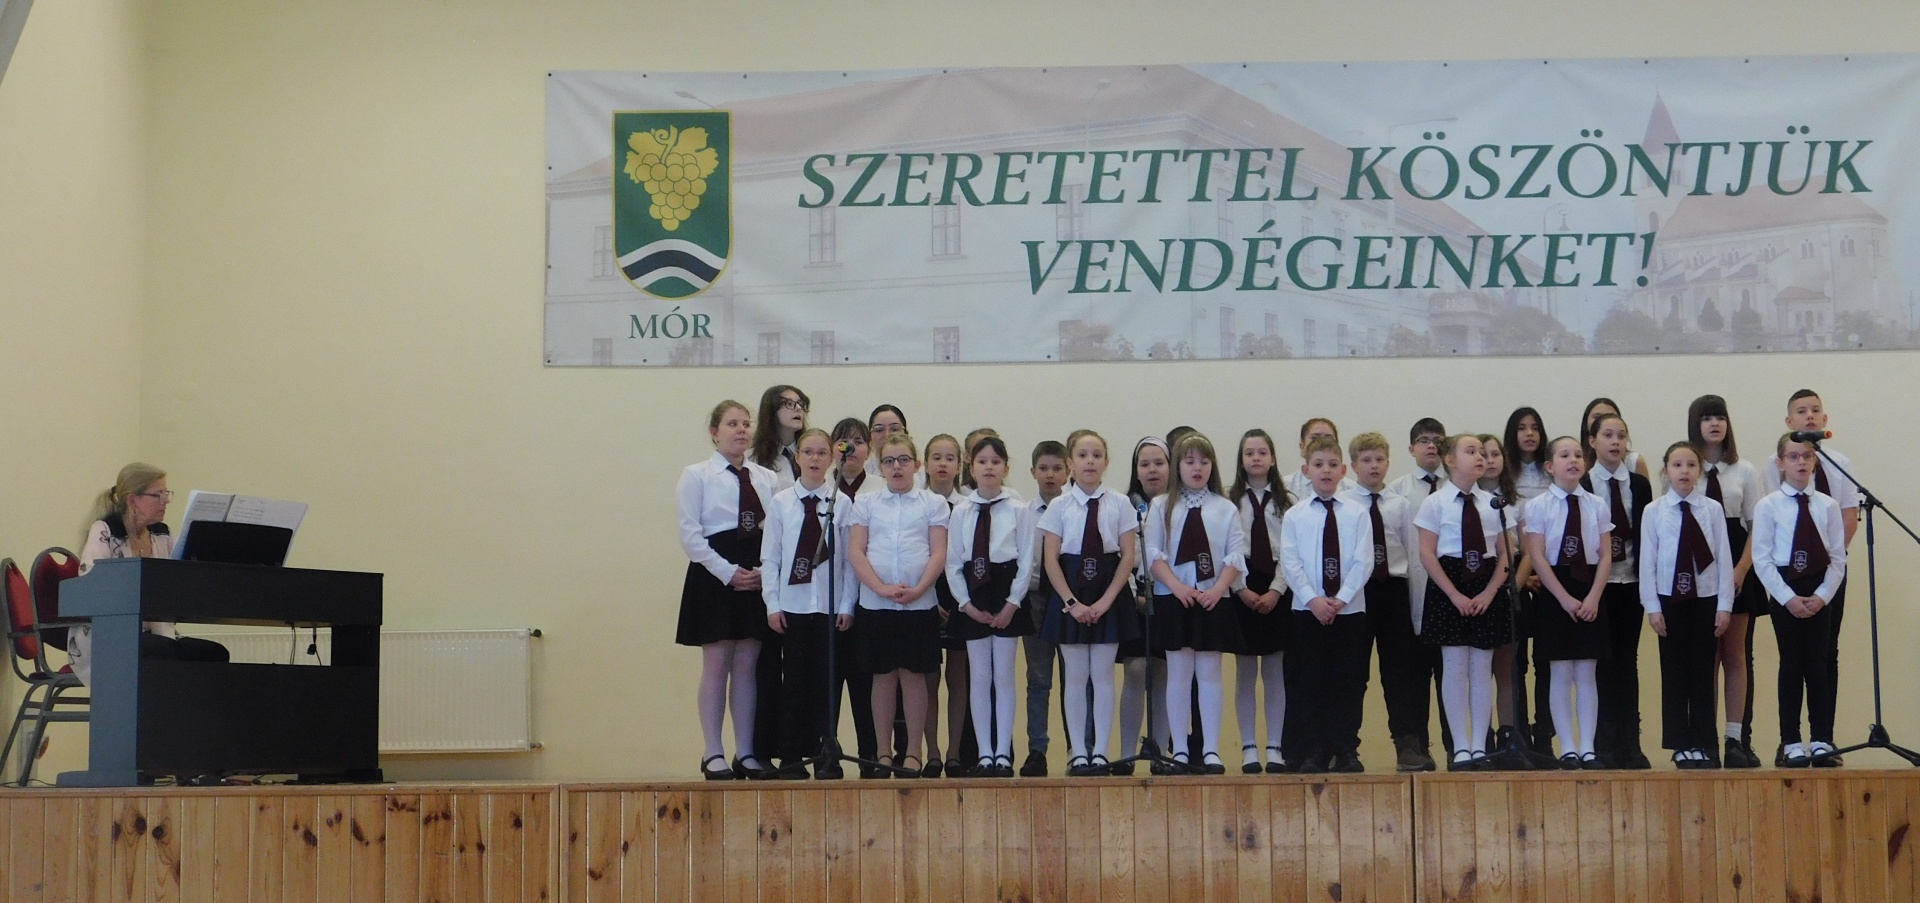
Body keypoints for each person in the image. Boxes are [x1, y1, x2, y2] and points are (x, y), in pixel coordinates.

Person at [675, 401, 777, 780]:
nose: (741, 430)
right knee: (717, 663)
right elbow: (690, 534)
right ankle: (713, 751)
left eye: (746, 424)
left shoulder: (765, 477)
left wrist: (766, 570)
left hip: (756, 570)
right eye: (732, 423)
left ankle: (745, 751)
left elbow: (776, 529)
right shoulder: (696, 475)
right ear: (715, 432)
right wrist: (727, 572)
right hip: (714, 573)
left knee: (748, 665)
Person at [1763, 389, 1860, 766]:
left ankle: (1823, 738)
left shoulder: (1833, 489)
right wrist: (1789, 596)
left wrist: (1822, 590)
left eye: (1806, 456)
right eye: (1793, 456)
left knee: (1821, 661)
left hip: (1823, 581)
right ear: (1781, 462)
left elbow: (1841, 542)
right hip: (1786, 583)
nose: (1801, 461)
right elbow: (1766, 551)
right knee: (1792, 663)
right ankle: (1790, 740)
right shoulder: (1771, 496)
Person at [69, 463, 231, 688]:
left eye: (166, 493)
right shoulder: (106, 530)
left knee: (214, 653)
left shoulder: (161, 534)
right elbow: (90, 582)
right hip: (106, 637)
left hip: (155, 634)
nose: (165, 501)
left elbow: (178, 579)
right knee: (161, 650)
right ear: (132, 500)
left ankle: (192, 711)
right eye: (157, 495)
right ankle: (160, 709)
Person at [1038, 429, 1141, 777]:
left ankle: (1101, 751)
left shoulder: (1120, 503)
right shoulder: (1059, 505)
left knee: (1103, 675)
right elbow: (1051, 559)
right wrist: (1072, 603)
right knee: (1076, 676)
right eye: (1082, 455)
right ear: (1070, 462)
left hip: (1109, 590)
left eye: (1097, 455)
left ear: (1106, 462)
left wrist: (1108, 601)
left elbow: (1128, 556)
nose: (1090, 461)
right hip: (1071, 591)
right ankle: (1079, 752)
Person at [848, 432, 950, 778]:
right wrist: (880, 587)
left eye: (903, 460)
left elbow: (938, 551)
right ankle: (883, 752)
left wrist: (920, 588)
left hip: (919, 604)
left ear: (916, 464)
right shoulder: (866, 503)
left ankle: (913, 753)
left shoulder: (932, 504)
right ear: (880, 466)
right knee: (883, 677)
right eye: (889, 461)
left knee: (913, 676)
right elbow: (856, 551)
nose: (896, 467)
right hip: (876, 603)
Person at [1144, 432, 1245, 774]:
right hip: (1175, 598)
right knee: (1178, 673)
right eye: (1189, 462)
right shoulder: (1161, 506)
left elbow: (1235, 555)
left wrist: (1218, 589)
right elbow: (1153, 554)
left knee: (1210, 673)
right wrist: (1176, 587)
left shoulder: (1225, 508)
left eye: (1204, 461)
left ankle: (1212, 748)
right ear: (1178, 466)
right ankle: (1181, 749)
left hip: (1213, 598)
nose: (1197, 468)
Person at [760, 428, 854, 779]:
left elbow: (849, 562)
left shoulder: (842, 503)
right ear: (797, 458)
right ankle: (790, 757)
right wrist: (772, 603)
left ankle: (825, 755)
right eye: (808, 452)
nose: (815, 459)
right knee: (794, 684)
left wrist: (847, 604)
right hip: (793, 607)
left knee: (826, 685)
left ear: (832, 459)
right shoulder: (782, 503)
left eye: (822, 453)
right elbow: (771, 558)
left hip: (829, 608)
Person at [1415, 435, 1512, 770]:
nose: (1480, 457)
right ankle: (1460, 746)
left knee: (1482, 669)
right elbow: (1427, 553)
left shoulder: (1494, 503)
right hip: (1449, 584)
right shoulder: (1435, 503)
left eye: (1482, 452)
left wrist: (1490, 592)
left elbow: (1506, 553)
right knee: (1455, 668)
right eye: (1471, 451)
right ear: (1450, 460)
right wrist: (1454, 594)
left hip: (1485, 583)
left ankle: (1479, 745)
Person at [1279, 436, 1375, 773]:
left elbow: (1364, 561)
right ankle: (1315, 749)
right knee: (1311, 680)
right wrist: (1314, 599)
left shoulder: (1357, 513)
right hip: (1308, 611)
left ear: (1344, 470)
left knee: (1348, 681)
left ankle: (1345, 748)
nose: (1326, 471)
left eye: (1333, 465)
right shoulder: (1295, 516)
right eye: (1318, 465)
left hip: (1349, 610)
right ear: (1306, 470)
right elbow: (1290, 562)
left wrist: (1341, 598)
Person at [1640, 442, 1735, 769]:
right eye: (1677, 465)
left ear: (1699, 471)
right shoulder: (1654, 511)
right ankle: (1681, 744)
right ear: (1666, 470)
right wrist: (1652, 606)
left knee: (1702, 673)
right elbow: (1648, 562)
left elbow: (1723, 558)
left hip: (1706, 598)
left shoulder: (1712, 509)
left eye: (1691, 465)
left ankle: (1705, 743)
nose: (1684, 471)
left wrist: (1724, 605)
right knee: (1675, 673)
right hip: (1669, 600)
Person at [946, 435, 1034, 778]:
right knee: (980, 677)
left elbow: (1027, 560)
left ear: (1006, 468)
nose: (988, 467)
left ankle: (1003, 753)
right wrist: (965, 604)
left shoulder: (1018, 509)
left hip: (1006, 589)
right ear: (971, 467)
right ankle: (985, 752)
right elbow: (953, 563)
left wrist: (1013, 603)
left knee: (1004, 676)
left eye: (996, 462)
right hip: (974, 592)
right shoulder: (961, 511)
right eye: (982, 461)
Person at [1687, 394, 1767, 768]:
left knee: (1735, 654)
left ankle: (1735, 738)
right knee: (1707, 656)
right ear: (1696, 424)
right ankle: (1705, 739)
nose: (1714, 424)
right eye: (1707, 418)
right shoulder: (1687, 466)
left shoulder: (1745, 470)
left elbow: (1756, 526)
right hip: (1698, 568)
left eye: (1720, 417)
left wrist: (1740, 570)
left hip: (1736, 562)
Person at [1523, 436, 1612, 769]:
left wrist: (1593, 597)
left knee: (1587, 672)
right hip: (1555, 589)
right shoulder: (1538, 506)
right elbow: (1536, 555)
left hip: (1589, 586)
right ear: (1550, 466)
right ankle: (1568, 747)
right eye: (1564, 455)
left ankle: (1587, 746)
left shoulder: (1596, 504)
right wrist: (1562, 599)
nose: (1573, 460)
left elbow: (1606, 555)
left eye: (1577, 455)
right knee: (1560, 672)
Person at [1350, 432, 1429, 772]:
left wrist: (1415, 606)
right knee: (1354, 673)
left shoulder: (1399, 504)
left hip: (1393, 589)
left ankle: (1407, 744)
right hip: (1358, 591)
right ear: (1353, 465)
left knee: (1398, 672)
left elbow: (1412, 556)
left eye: (1379, 459)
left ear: (1388, 463)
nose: (1374, 466)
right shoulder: (1345, 504)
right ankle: (1346, 745)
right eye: (1366, 460)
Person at [1581, 412, 1653, 769]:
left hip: (1632, 582)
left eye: (1621, 435)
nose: (1615, 442)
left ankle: (1630, 742)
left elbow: (1646, 533)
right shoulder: (1583, 483)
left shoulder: (1638, 484)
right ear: (1592, 441)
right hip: (1599, 585)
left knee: (1628, 661)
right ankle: (1603, 742)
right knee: (1601, 663)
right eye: (1607, 435)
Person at [1229, 429, 1291, 774]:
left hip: (1277, 584)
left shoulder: (1287, 501)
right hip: (1242, 582)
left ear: (1272, 458)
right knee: (1245, 671)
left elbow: (1292, 550)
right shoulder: (1229, 500)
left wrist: (1276, 590)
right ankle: (1249, 746)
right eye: (1249, 453)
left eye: (1262, 452)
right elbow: (1226, 550)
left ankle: (1275, 746)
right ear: (1241, 460)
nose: (1256, 458)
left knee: (1274, 670)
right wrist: (1240, 589)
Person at [826, 417, 883, 778]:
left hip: (871, 599)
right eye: (843, 441)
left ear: (869, 449)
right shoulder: (823, 487)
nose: (851, 449)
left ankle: (871, 755)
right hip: (826, 602)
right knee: (828, 682)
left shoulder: (880, 488)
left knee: (866, 683)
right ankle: (827, 753)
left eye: (859, 441)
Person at [1114, 436, 1172, 775]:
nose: (1152, 470)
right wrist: (1134, 594)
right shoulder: (1125, 508)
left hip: (1170, 599)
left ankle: (1161, 753)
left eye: (1159, 463)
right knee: (1135, 670)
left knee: (1164, 674)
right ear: (1136, 471)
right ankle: (1126, 753)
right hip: (1134, 600)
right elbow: (1120, 558)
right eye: (1145, 464)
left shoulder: (1179, 507)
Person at [921, 433, 972, 777]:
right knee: (927, 678)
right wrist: (929, 597)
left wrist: (959, 600)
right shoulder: (917, 503)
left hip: (959, 599)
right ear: (925, 464)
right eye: (936, 457)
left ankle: (954, 752)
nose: (942, 464)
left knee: (958, 677)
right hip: (925, 597)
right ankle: (933, 753)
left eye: (949, 458)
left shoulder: (967, 505)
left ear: (960, 464)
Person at [1019, 440, 1069, 777]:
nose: (1050, 475)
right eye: (1043, 468)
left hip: (1070, 600)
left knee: (1076, 679)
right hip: (1036, 598)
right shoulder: (1024, 513)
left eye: (1057, 468)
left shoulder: (1075, 509)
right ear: (1033, 471)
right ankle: (1037, 750)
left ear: (1067, 471)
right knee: (1038, 679)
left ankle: (1080, 748)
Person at [750, 385, 810, 491]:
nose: (798, 408)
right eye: (789, 404)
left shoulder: (810, 454)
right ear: (772, 412)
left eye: (800, 404)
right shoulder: (752, 459)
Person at [1579, 397, 1651, 479]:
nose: (1604, 420)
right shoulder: (1578, 461)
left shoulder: (1633, 461)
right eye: (1597, 416)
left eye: (1610, 416)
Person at [1286, 418, 1358, 499]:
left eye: (1329, 438)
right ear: (1302, 446)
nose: (1322, 442)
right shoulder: (1285, 488)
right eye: (1314, 438)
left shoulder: (1352, 490)